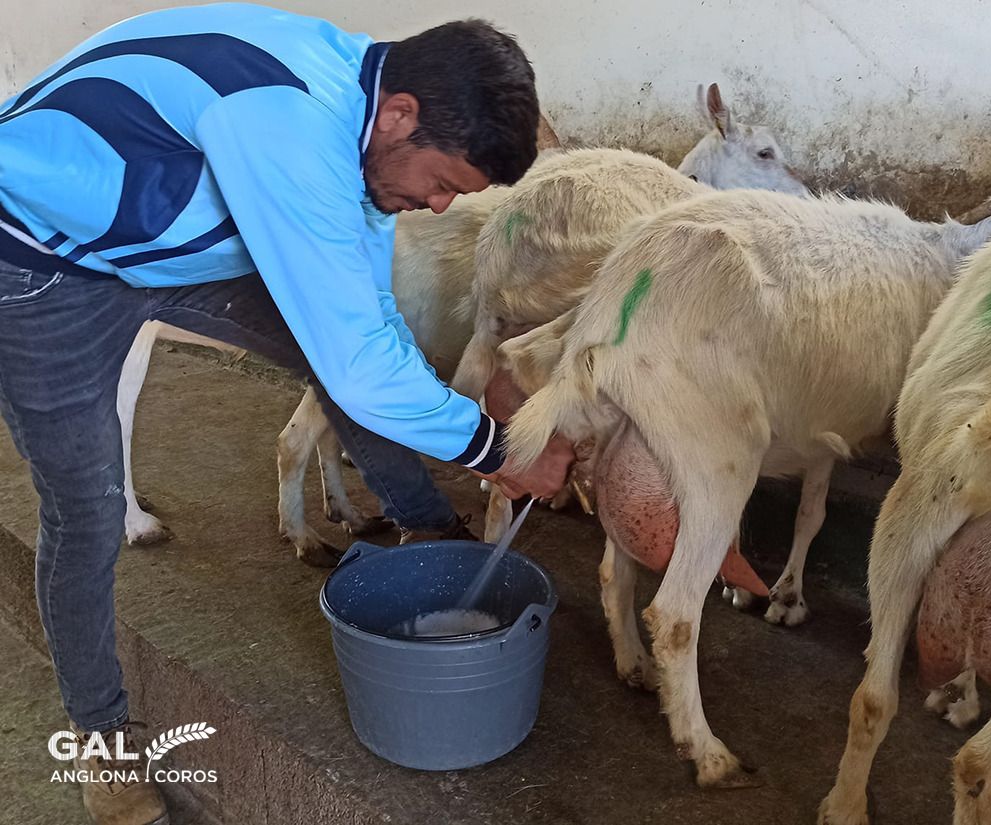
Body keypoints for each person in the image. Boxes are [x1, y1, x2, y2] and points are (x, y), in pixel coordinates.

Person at [0, 4, 573, 823]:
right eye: (442, 183)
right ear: (400, 115)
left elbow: (368, 325)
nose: (442, 206)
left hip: (178, 239)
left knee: (360, 358)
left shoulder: (361, 118)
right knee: (85, 511)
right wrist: (496, 449)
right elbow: (360, 364)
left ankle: (425, 530)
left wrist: (462, 427)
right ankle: (101, 739)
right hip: (40, 263)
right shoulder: (288, 116)